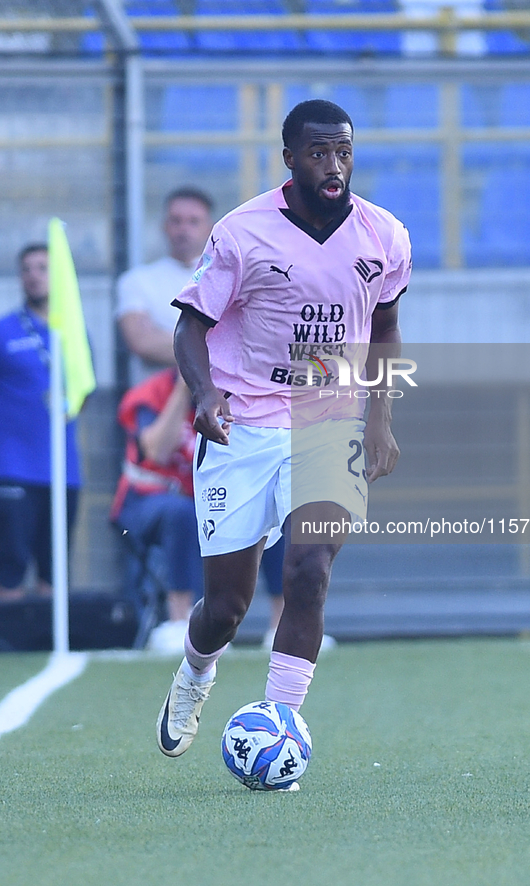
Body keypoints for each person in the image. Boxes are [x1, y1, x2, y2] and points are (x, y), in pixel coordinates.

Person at [156, 99, 412, 781]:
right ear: (290, 159)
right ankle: (194, 673)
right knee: (227, 608)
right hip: (244, 422)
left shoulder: (383, 235)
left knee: (307, 573)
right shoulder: (242, 232)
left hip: (329, 419)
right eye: (319, 153)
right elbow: (190, 327)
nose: (334, 166)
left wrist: (379, 420)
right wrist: (206, 395)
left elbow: (383, 331)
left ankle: (278, 732)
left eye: (343, 151)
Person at [0, 244, 82, 600]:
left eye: (43, 268)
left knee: (55, 567)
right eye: (27, 268)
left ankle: (49, 646)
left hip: (64, 470)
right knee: (10, 567)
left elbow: (84, 387)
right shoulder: (6, 331)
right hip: (14, 467)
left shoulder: (73, 334)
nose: (34, 276)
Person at [110, 367, 204, 653]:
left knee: (271, 511)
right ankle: (180, 622)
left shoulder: (229, 394)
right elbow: (157, 451)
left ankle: (278, 626)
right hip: (142, 502)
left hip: (202, 503)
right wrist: (184, 389)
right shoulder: (152, 392)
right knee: (180, 512)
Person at [116, 187, 214, 385]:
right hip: (155, 404)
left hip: (218, 400)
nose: (184, 229)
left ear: (210, 228)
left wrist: (167, 338)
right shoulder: (137, 281)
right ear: (164, 226)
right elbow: (143, 343)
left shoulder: (223, 279)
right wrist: (216, 345)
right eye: (176, 221)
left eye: (193, 221)